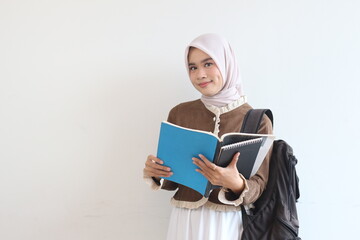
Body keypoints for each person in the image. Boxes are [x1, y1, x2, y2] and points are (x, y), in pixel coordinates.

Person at [143, 33, 273, 240]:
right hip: (185, 221)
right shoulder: (180, 113)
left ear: (226, 63)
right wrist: (157, 172)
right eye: (193, 67)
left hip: (229, 224)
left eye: (208, 64)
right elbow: (173, 179)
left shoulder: (257, 120)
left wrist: (235, 183)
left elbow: (260, 185)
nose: (200, 74)